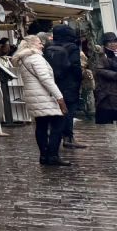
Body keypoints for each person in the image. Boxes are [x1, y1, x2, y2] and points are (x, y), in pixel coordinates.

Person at [13, 33, 68, 167]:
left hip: (34, 97)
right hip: (44, 96)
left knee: (41, 125)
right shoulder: (36, 58)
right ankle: (53, 155)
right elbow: (46, 79)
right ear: (31, 44)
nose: (42, 45)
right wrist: (59, 97)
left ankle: (44, 156)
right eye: (39, 43)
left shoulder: (24, 59)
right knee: (58, 123)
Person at [44, 24, 84, 154]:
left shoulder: (49, 47)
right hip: (70, 83)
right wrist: (80, 78)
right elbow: (76, 66)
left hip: (54, 83)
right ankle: (69, 138)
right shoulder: (72, 47)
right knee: (69, 110)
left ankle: (56, 138)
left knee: (57, 111)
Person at [95, 34, 117, 125]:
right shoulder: (101, 54)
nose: (113, 44)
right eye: (110, 42)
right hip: (106, 91)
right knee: (105, 120)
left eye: (115, 41)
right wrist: (114, 75)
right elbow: (99, 70)